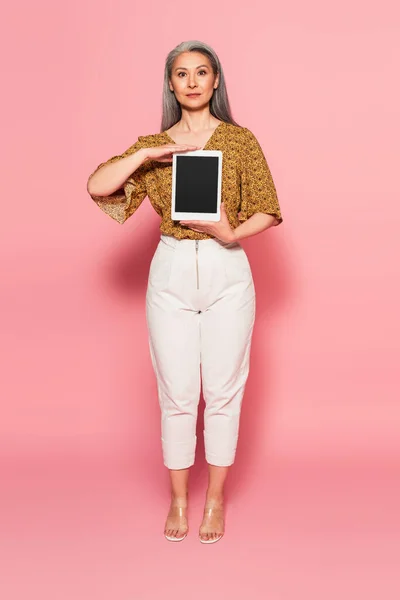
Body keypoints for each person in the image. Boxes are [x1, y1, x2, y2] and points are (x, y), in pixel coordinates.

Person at [86, 40, 283, 544]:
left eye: (202, 72)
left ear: (216, 81)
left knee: (223, 390)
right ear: (170, 83)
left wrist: (230, 233)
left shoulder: (240, 141)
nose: (192, 81)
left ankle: (214, 500)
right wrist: (148, 152)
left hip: (226, 270)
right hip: (171, 269)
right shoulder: (155, 146)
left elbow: (269, 206)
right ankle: (178, 499)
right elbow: (97, 186)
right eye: (181, 73)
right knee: (176, 392)